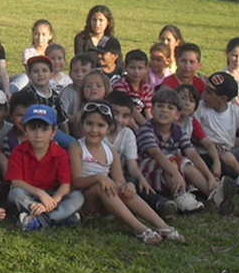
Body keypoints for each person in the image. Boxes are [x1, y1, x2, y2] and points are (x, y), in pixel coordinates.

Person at [69, 100, 184, 243]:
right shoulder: (76, 147)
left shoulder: (111, 152)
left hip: (105, 204)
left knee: (123, 189)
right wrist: (98, 177)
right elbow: (76, 182)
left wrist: (128, 186)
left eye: (100, 125)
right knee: (102, 186)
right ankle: (140, 228)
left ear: (109, 128)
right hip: (84, 203)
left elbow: (119, 181)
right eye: (89, 124)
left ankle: (162, 226)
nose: (94, 130)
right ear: (81, 125)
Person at [137, 88, 234, 214]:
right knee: (171, 161)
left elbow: (192, 153)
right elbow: (156, 153)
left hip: (168, 171)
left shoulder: (177, 130)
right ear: (152, 110)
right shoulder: (147, 129)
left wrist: (209, 176)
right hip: (145, 172)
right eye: (160, 106)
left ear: (177, 115)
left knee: (186, 163)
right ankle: (180, 195)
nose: (164, 110)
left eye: (170, 108)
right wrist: (175, 173)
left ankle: (213, 194)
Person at [6, 104, 83, 231]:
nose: (38, 135)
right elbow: (16, 182)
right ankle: (59, 218)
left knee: (77, 197)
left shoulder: (60, 153)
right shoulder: (19, 151)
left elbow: (65, 185)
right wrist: (40, 194)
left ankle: (40, 220)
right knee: (15, 194)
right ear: (25, 130)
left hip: (52, 196)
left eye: (44, 129)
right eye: (33, 129)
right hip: (30, 196)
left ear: (54, 131)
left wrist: (52, 201)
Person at [17, 56, 70, 134]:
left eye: (44, 71)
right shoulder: (27, 94)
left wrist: (67, 136)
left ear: (51, 74)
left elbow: (63, 120)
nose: (40, 74)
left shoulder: (54, 95)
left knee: (70, 142)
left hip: (52, 131)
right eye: (35, 71)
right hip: (33, 132)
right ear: (29, 74)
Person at [112, 49, 153, 128]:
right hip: (122, 122)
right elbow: (129, 109)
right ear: (125, 67)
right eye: (132, 68)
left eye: (140, 68)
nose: (136, 72)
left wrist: (151, 127)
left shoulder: (146, 88)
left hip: (140, 122)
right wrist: (141, 128)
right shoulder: (120, 85)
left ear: (146, 69)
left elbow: (148, 112)